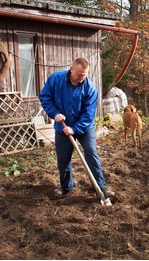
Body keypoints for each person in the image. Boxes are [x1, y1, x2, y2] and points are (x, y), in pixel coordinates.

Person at [39, 58, 114, 198]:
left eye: (84, 75)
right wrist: (55, 113)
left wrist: (75, 129)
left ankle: (100, 186)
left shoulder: (90, 88)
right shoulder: (56, 79)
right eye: (79, 74)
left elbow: (88, 114)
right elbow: (45, 97)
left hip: (85, 127)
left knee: (91, 153)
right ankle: (66, 187)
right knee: (63, 158)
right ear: (71, 69)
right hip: (63, 126)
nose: (81, 78)